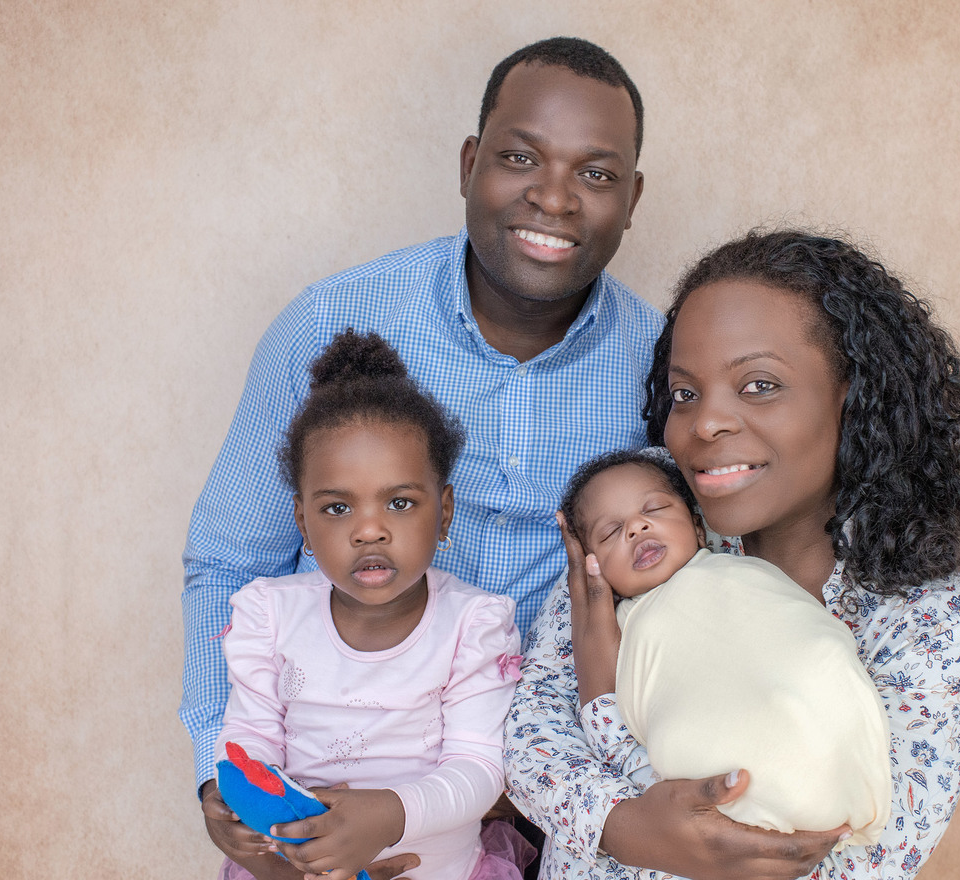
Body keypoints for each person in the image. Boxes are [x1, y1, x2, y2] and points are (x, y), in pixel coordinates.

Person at [181, 37, 662, 876]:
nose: (554, 197)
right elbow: (228, 559)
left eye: (595, 173)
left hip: (564, 812)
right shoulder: (328, 321)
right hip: (317, 808)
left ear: (632, 200)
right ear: (471, 164)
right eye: (520, 157)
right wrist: (226, 782)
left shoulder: (662, 369)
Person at [505, 229, 960, 880]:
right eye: (685, 393)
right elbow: (531, 740)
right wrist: (623, 825)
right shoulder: (649, 507)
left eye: (758, 385)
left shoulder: (931, 618)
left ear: (852, 393)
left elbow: (868, 860)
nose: (705, 423)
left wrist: (614, 742)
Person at [214, 329, 531, 880]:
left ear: (444, 511)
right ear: (302, 522)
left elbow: (479, 769)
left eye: (400, 502)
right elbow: (249, 741)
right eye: (337, 508)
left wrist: (388, 816)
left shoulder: (473, 625)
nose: (369, 530)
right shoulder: (270, 616)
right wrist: (256, 815)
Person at [556, 448, 892, 846]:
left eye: (655, 509)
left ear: (698, 528)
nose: (636, 528)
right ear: (592, 567)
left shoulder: (740, 570)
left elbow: (800, 630)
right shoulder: (611, 628)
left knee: (822, 658)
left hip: (811, 731)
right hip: (716, 787)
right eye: (611, 532)